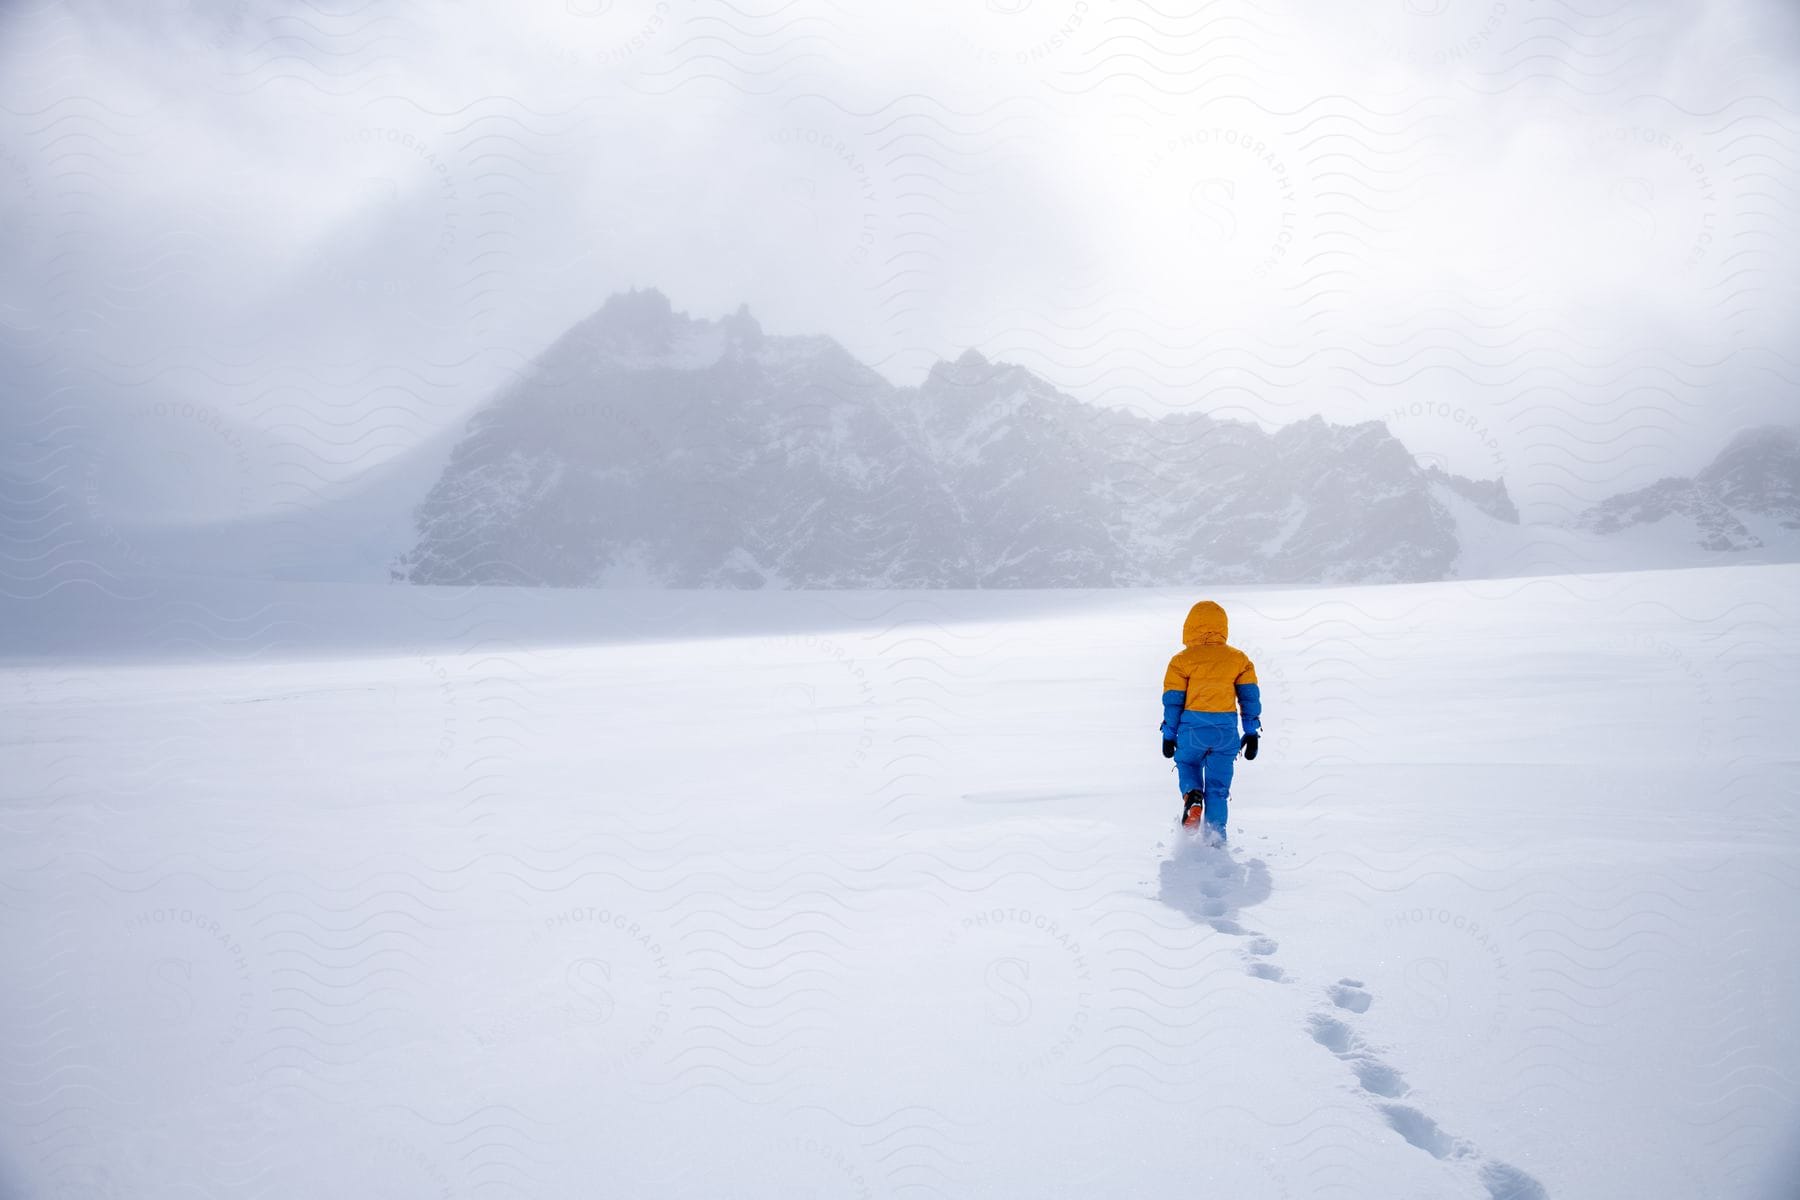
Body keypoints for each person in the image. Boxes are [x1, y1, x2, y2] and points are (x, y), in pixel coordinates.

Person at [1159, 600, 1261, 842]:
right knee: (1217, 790)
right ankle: (1216, 840)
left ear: (1189, 626)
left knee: (1187, 765)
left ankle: (1192, 796)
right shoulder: (1239, 659)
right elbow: (1249, 698)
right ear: (1223, 626)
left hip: (1191, 731)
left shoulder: (1181, 661)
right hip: (1225, 734)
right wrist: (1251, 731)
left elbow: (1173, 702)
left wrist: (1169, 735)